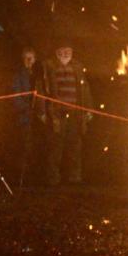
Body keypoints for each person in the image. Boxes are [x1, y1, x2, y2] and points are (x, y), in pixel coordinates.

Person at [40, 40, 93, 185]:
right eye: (62, 51)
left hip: (75, 113)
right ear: (57, 53)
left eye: (68, 51)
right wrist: (42, 111)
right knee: (55, 147)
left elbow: (85, 90)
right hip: (57, 114)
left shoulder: (77, 67)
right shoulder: (49, 67)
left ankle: (74, 177)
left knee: (75, 146)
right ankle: (53, 178)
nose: (65, 54)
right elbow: (43, 90)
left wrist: (88, 109)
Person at [13, 47, 38, 184]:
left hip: (38, 117)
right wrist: (26, 108)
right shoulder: (18, 75)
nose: (29, 61)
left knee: (34, 145)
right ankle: (23, 176)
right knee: (24, 146)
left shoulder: (37, 74)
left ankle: (34, 175)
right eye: (26, 58)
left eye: (31, 58)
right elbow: (16, 96)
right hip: (24, 116)